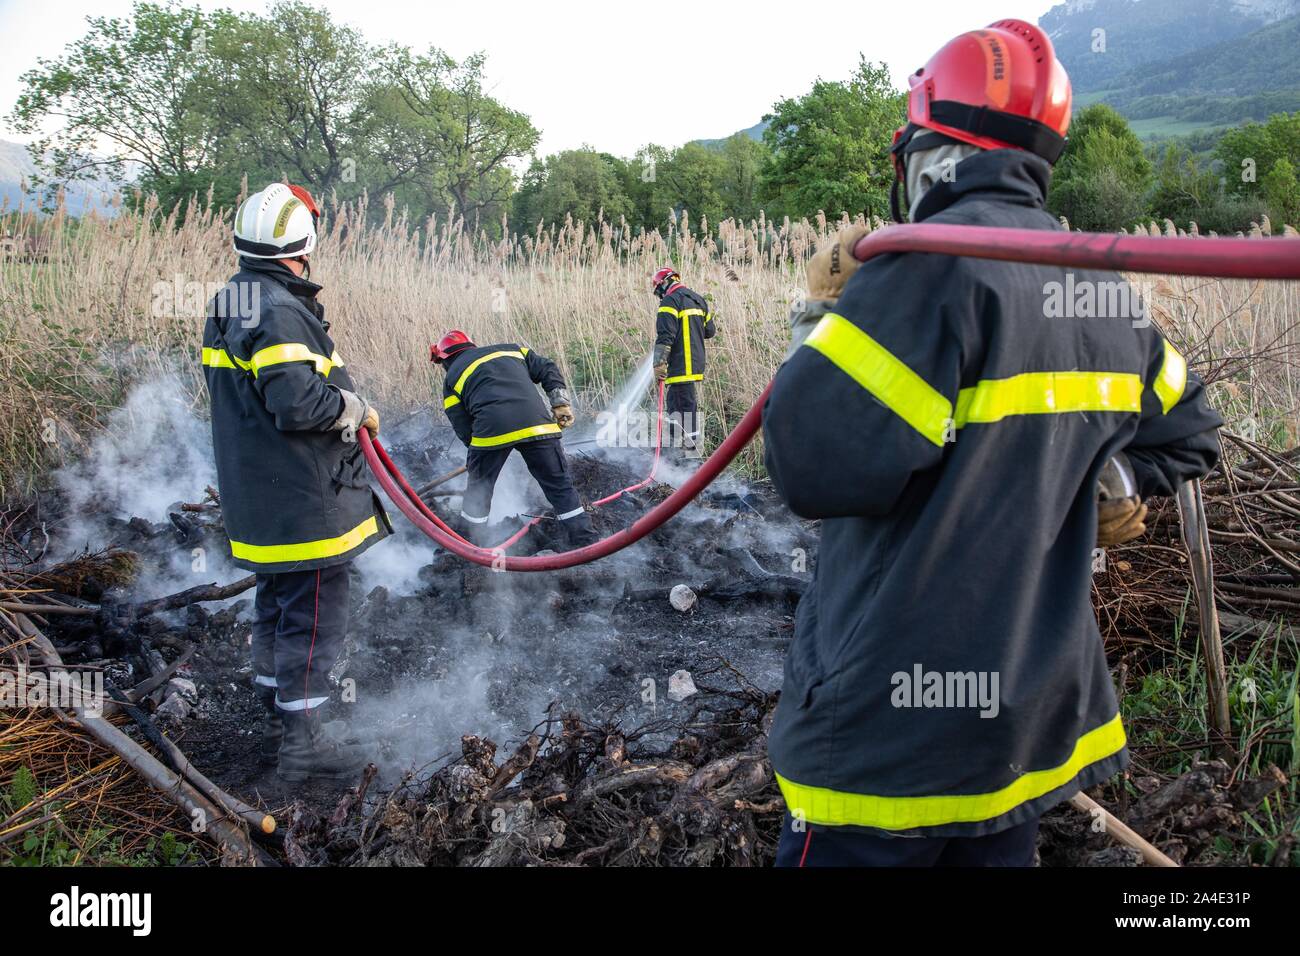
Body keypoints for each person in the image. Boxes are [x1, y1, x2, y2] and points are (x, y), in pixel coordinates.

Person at [761, 19, 1222, 866]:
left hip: (883, 753)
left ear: (929, 153)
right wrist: (1109, 478)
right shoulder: (1103, 292)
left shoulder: (923, 274)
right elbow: (1193, 425)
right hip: (1019, 734)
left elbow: (809, 465)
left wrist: (819, 317)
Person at [202, 182, 388, 781]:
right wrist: (351, 408)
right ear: (303, 240)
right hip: (304, 501)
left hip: (261, 494)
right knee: (313, 615)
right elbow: (295, 403)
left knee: (277, 602)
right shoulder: (279, 307)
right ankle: (301, 749)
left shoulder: (234, 298)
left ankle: (273, 711)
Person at [431, 330, 597, 549]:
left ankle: (468, 547)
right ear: (472, 346)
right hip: (538, 426)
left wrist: (478, 457)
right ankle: (586, 542)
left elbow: (461, 424)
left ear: (444, 359)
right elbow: (547, 367)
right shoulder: (513, 350)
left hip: (490, 432)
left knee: (479, 492)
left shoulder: (451, 378)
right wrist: (560, 403)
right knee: (559, 486)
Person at [651, 267, 717, 453]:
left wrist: (659, 363)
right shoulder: (698, 299)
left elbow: (665, 336)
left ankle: (684, 459)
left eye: (658, 291)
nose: (659, 296)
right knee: (687, 409)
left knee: (679, 411)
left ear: (663, 283)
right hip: (695, 364)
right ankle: (686, 455)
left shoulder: (670, 302)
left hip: (680, 366)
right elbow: (710, 331)